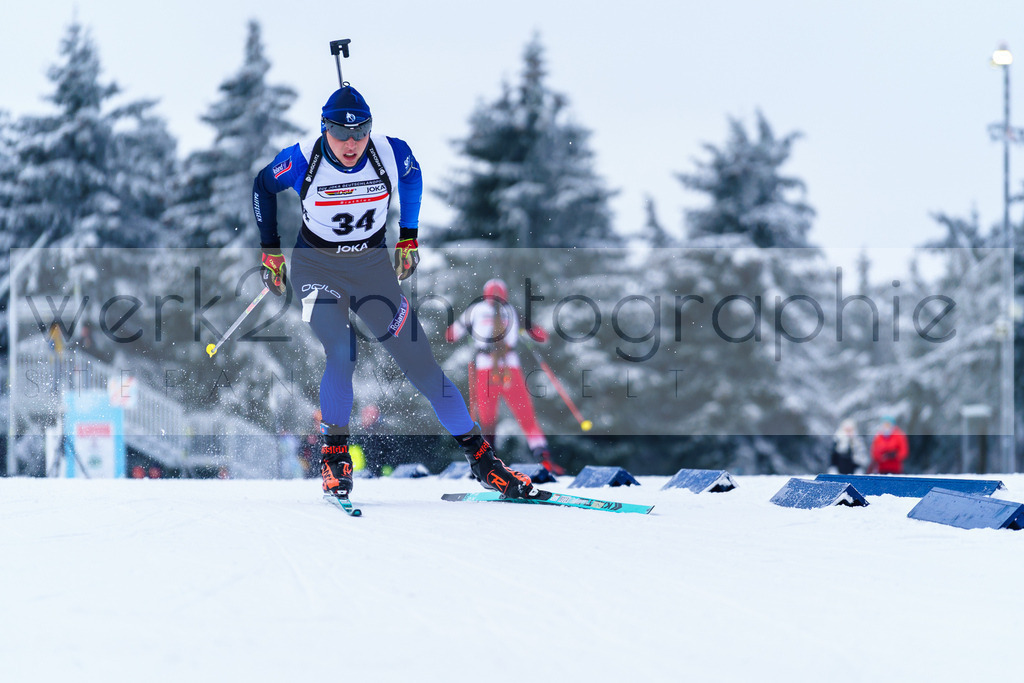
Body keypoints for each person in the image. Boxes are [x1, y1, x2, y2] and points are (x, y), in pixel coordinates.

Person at [252, 83, 535, 500]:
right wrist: (270, 251)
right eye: (341, 134)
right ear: (324, 128)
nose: (351, 144)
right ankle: (334, 458)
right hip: (316, 269)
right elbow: (263, 186)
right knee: (342, 348)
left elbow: (413, 177)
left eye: (359, 133)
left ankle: (483, 461)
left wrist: (408, 238)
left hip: (371, 271)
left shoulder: (390, 152)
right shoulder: (301, 159)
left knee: (422, 365)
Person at [446, 278, 564, 474]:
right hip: (510, 368)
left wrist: (468, 329)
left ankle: (486, 462)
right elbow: (541, 335)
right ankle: (544, 458)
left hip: (486, 369)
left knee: (487, 419)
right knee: (526, 416)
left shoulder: (474, 311)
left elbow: (450, 336)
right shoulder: (511, 310)